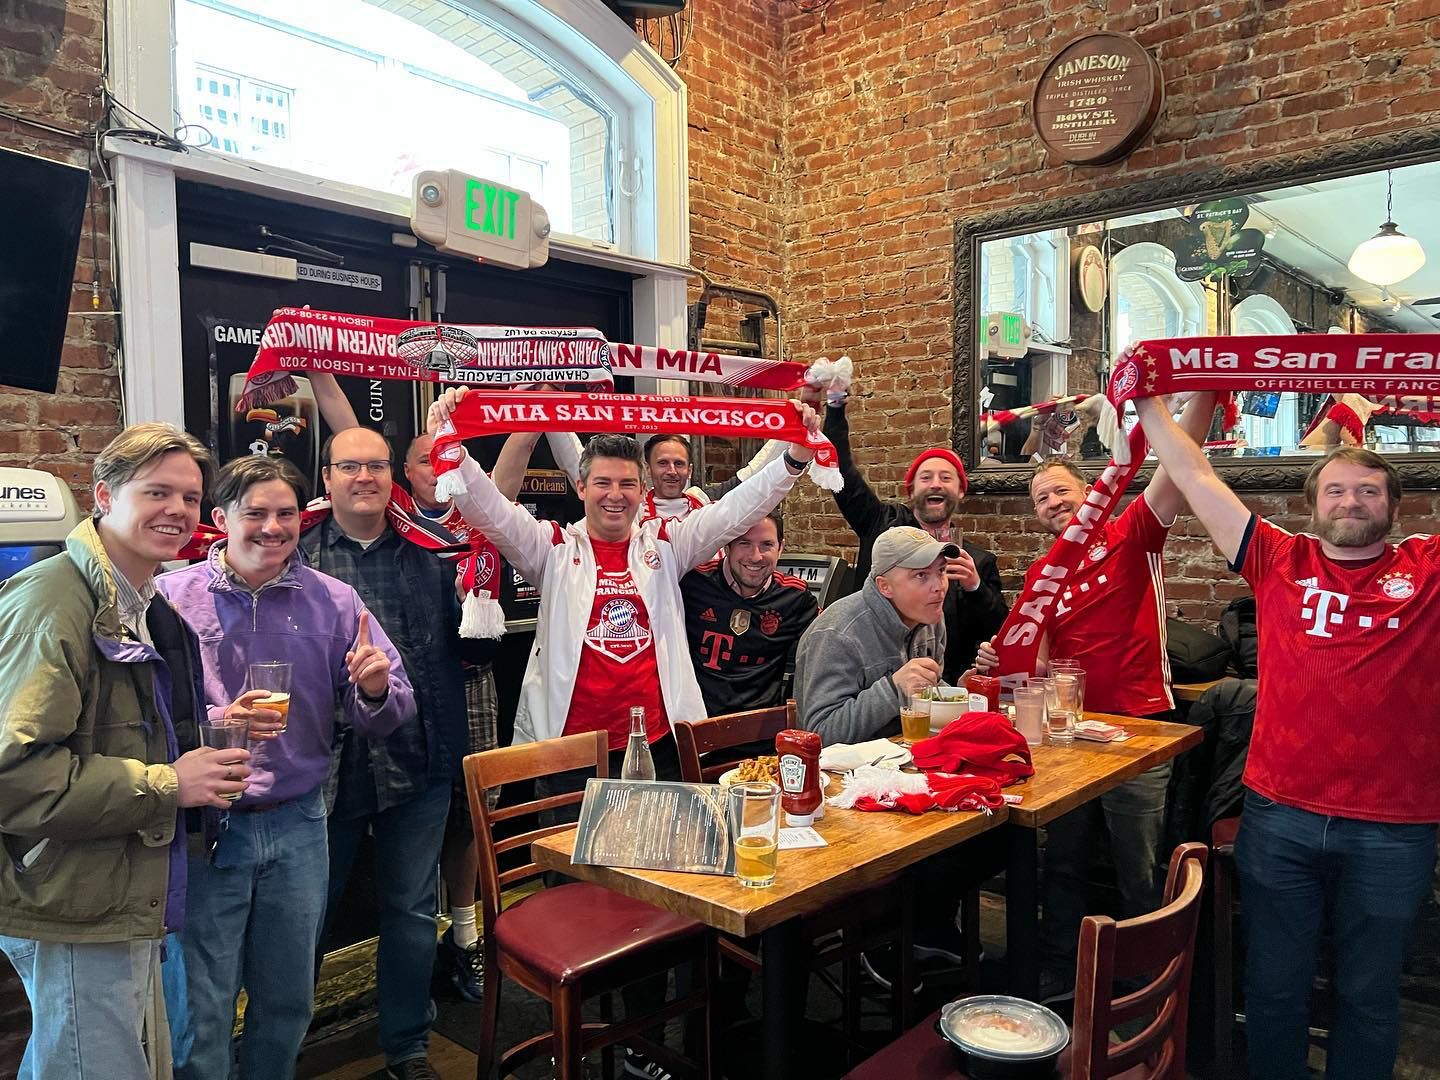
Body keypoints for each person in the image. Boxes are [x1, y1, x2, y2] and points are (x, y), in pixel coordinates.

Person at [432, 388, 818, 1078]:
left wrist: (791, 456)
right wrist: (449, 445)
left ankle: (642, 1038)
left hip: (658, 751)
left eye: (627, 484)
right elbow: (487, 509)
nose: (616, 495)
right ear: (581, 485)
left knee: (655, 896)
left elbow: (738, 507)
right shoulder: (550, 547)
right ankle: (591, 1028)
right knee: (582, 901)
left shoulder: (666, 544)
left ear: (645, 492)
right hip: (573, 757)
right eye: (603, 483)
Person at [1136, 399, 1440, 1080]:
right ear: (1312, 503)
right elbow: (1192, 472)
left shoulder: (1428, 569)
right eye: (1336, 488)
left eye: (1369, 490)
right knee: (1274, 985)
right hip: (1281, 814)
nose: (1352, 500)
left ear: (1395, 505)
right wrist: (1145, 397)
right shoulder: (1278, 558)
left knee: (1368, 992)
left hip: (1395, 826)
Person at [0, 424, 250, 1080]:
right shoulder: (55, 600)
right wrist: (170, 783)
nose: (178, 511)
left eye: (191, 498)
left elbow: (113, 731)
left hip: (118, 884)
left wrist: (202, 739)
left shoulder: (140, 601)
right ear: (104, 496)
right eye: (158, 492)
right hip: (71, 896)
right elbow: (13, 772)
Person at [155, 454, 414, 1080]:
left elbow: (391, 709)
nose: (273, 527)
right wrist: (222, 716)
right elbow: (143, 716)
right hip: (206, 828)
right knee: (200, 1008)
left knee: (288, 998)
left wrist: (376, 689)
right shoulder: (171, 598)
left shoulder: (334, 600)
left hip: (300, 822)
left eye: (287, 514)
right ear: (220, 519)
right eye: (256, 513)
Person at [976, 392, 1216, 999]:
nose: (1053, 503)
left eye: (1061, 491)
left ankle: (1148, 981)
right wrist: (996, 659)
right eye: (1041, 499)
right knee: (1063, 860)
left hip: (1138, 729)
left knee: (1138, 869)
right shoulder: (1041, 575)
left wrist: (1202, 387)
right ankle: (1061, 968)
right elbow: (1030, 658)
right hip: (1069, 736)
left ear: (1092, 494)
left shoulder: (1132, 530)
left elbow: (1176, 467)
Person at [298, 423, 471, 1080]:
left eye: (375, 465)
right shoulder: (299, 552)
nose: (364, 477)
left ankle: (407, 1047)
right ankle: (277, 1047)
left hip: (414, 762)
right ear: (328, 479)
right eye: (349, 467)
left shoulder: (431, 553)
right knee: (305, 919)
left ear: (392, 477)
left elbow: (470, 650)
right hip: (322, 770)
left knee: (409, 912)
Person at [793, 524, 977, 983]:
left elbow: (927, 700)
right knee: (950, 841)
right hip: (840, 801)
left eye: (941, 572)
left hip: (905, 776)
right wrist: (892, 689)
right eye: (921, 576)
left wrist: (959, 693)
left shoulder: (932, 620)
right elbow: (819, 736)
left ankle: (925, 929)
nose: (938, 586)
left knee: (983, 830)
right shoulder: (838, 633)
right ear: (884, 585)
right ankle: (881, 938)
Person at [820, 387, 1008, 682]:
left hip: (944, 692)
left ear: (960, 491)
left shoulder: (979, 561)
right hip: (871, 681)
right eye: (926, 477)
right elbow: (840, 472)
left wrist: (975, 586)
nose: (935, 484)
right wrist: (835, 406)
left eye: (946, 478)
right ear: (911, 491)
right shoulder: (881, 523)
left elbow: (999, 636)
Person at [680, 512, 819, 716]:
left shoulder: (795, 597)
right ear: (727, 545)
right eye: (744, 543)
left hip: (760, 733)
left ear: (781, 547)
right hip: (693, 725)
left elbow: (828, 644)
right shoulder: (693, 583)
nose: (755, 556)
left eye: (766, 545)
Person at [549, 429, 785, 523]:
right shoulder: (632, 506)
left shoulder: (704, 501)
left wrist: (793, 429)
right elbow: (575, 463)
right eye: (663, 463)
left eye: (679, 464)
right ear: (648, 469)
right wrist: (548, 403)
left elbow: (756, 474)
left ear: (689, 470)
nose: (672, 471)